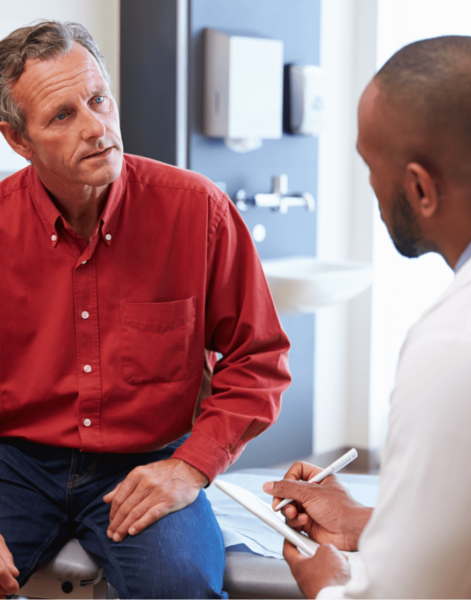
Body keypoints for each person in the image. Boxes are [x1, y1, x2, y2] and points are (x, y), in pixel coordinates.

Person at [263, 35, 471, 598]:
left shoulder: (470, 339)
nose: (370, 187)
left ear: (419, 187)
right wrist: (366, 523)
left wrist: (325, 588)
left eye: (370, 166)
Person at [0, 20, 291, 599]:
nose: (96, 129)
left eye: (98, 100)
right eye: (63, 116)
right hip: (14, 463)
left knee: (180, 584)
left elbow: (258, 360)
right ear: (19, 141)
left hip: (146, 460)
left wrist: (191, 466)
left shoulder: (198, 210)